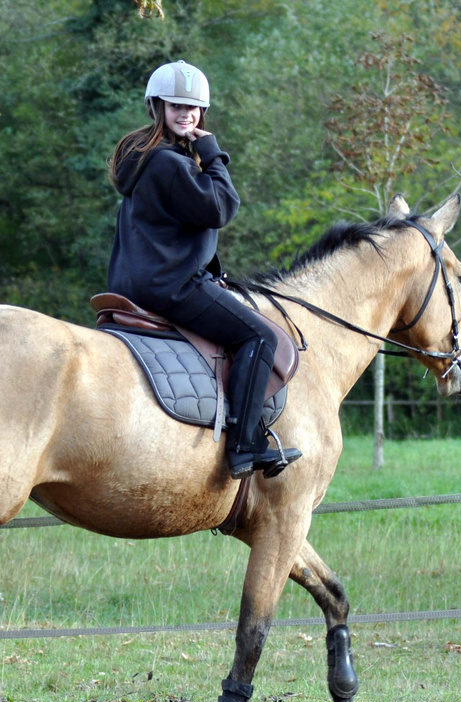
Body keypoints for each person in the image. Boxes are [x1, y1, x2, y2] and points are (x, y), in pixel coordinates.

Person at [107, 60, 301, 479]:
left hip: (138, 282)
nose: (186, 114)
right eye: (176, 105)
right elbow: (221, 208)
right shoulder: (170, 163)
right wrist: (213, 152)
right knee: (260, 336)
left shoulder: (142, 159)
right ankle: (246, 444)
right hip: (172, 286)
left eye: (194, 108)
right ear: (156, 107)